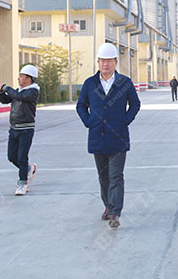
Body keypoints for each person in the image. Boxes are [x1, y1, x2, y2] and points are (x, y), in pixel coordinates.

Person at [76, 43, 141, 229]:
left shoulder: (124, 83)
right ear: (98, 62)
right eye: (102, 61)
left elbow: (135, 104)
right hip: (98, 136)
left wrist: (124, 120)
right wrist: (89, 121)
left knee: (116, 176)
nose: (105, 64)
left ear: (115, 62)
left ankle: (115, 212)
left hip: (118, 137)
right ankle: (107, 205)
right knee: (103, 176)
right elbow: (81, 105)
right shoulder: (90, 83)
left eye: (109, 61)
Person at [0, 65, 40, 196]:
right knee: (12, 156)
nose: (18, 78)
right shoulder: (19, 91)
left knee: (22, 157)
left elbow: (19, 96)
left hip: (26, 129)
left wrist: (6, 87)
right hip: (14, 128)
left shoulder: (33, 91)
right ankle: (28, 169)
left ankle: (22, 184)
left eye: (21, 76)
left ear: (29, 79)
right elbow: (5, 100)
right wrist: (0, 91)